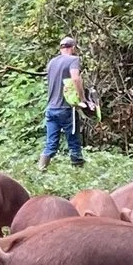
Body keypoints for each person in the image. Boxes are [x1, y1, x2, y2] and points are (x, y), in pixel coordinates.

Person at [40, 35, 89, 170]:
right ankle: (78, 173)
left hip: (51, 108)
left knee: (50, 144)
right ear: (73, 48)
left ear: (61, 48)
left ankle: (41, 170)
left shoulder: (52, 62)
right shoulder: (73, 60)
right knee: (74, 143)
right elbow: (75, 79)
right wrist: (82, 99)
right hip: (66, 109)